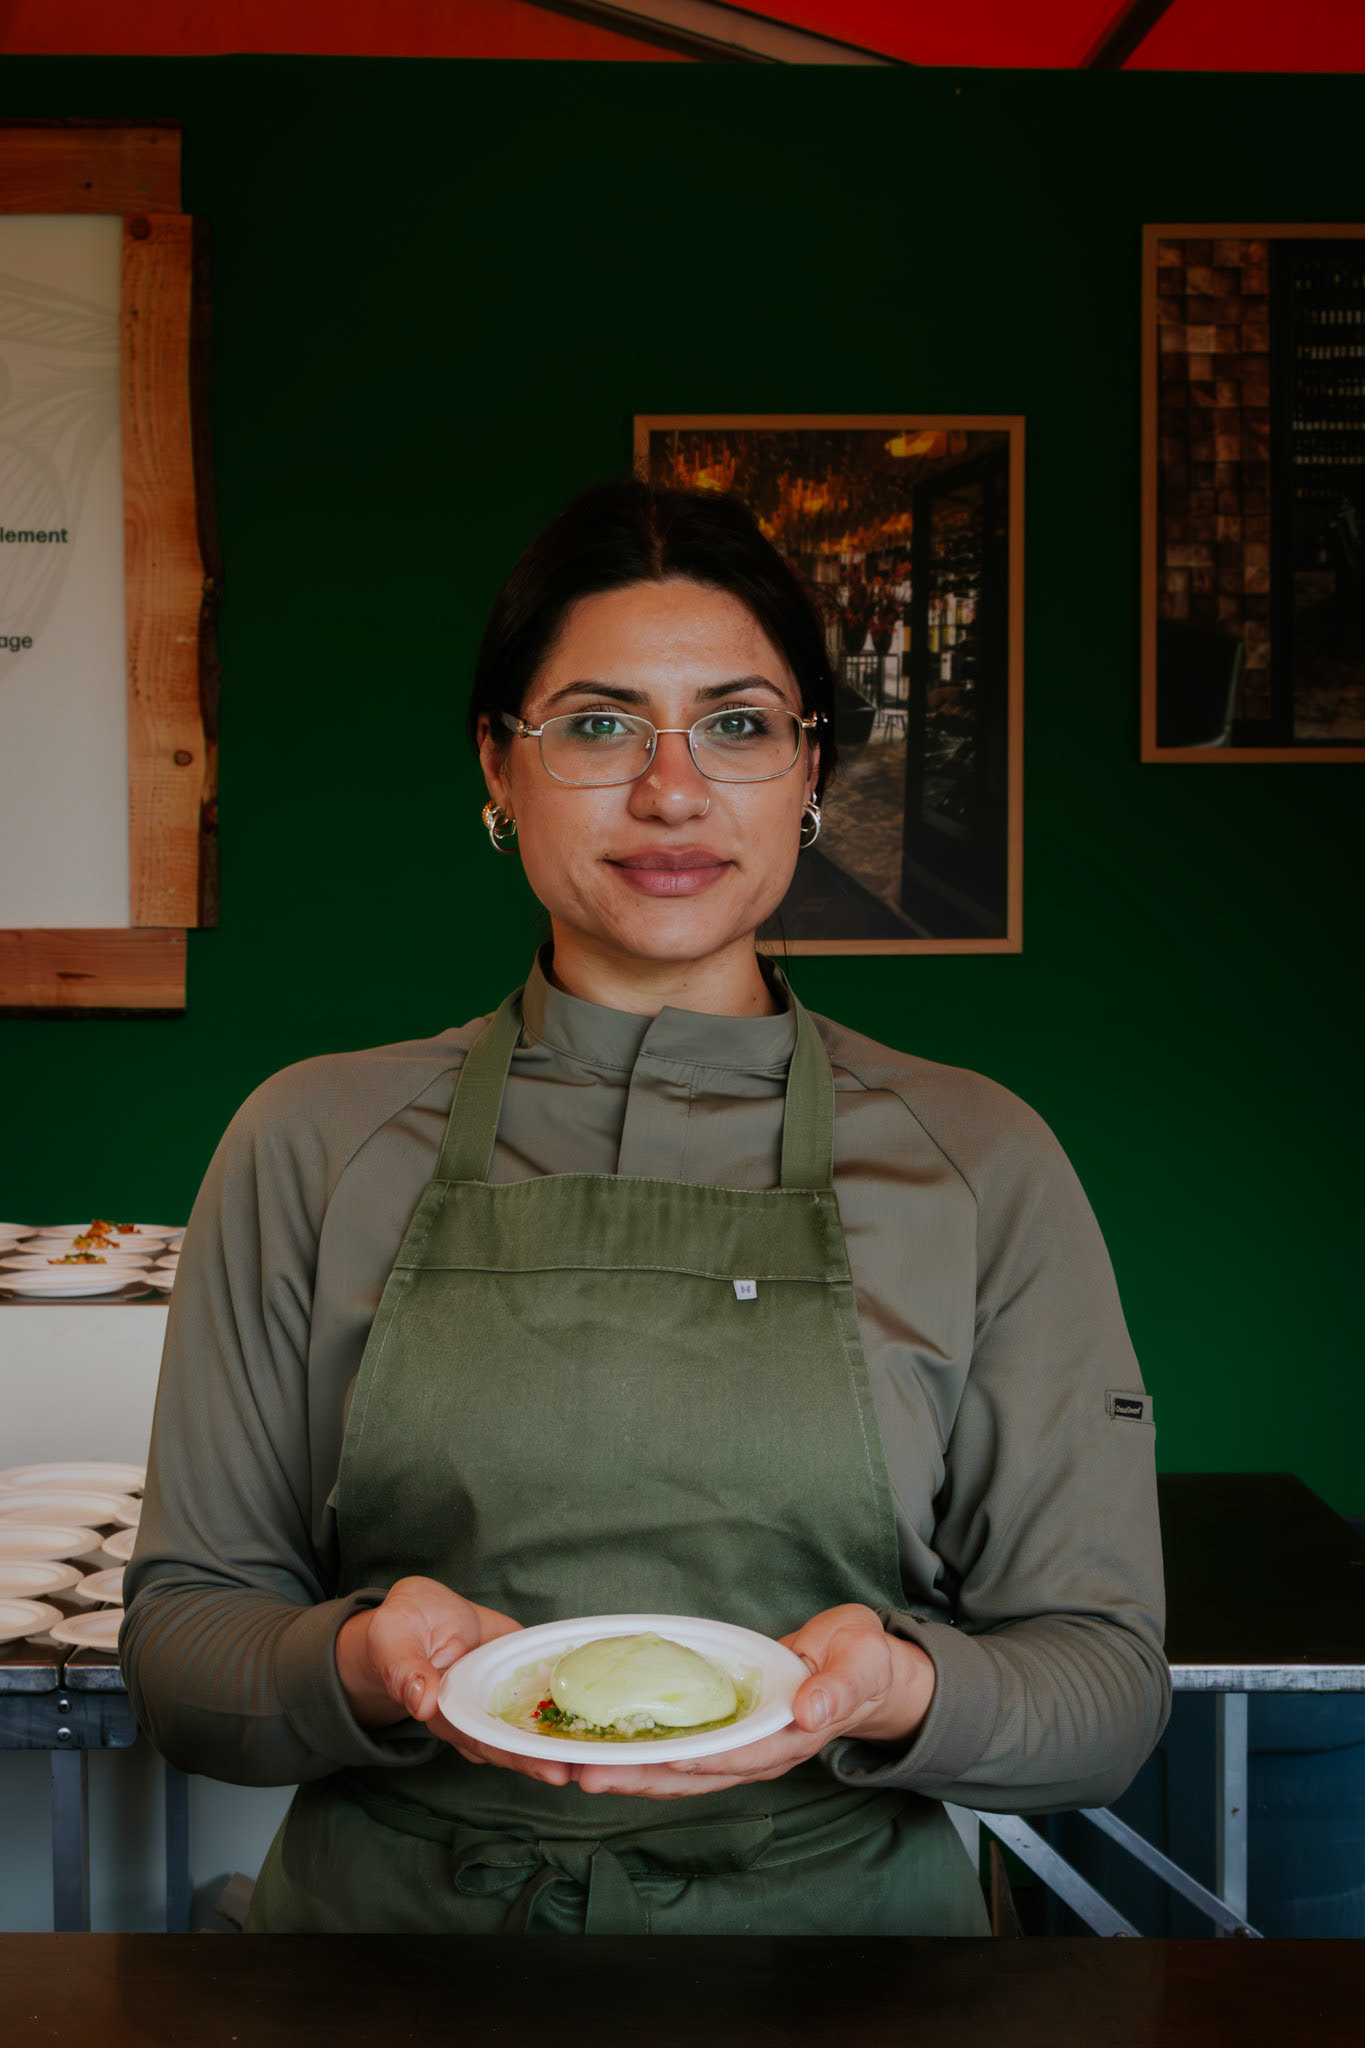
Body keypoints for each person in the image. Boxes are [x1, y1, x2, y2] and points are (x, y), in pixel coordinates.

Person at [121, 480, 1169, 1936]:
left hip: (848, 1978)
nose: (672, 789)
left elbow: (1103, 1692)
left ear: (810, 771)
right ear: (497, 765)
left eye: (738, 725)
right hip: (385, 1971)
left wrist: (900, 1689)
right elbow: (185, 1654)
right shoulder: (312, 1140)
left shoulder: (980, 1160)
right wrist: (363, 1662)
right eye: (598, 724)